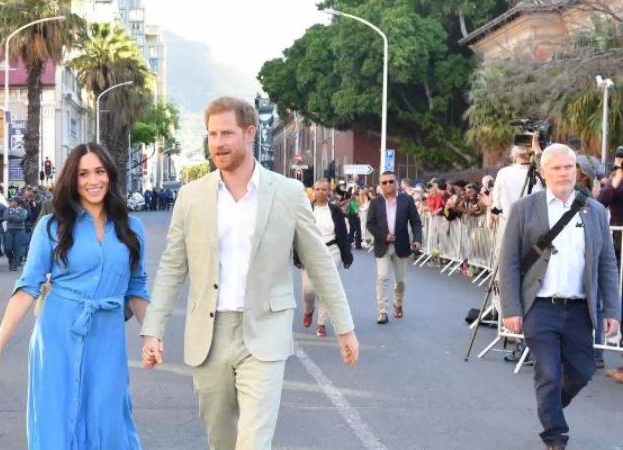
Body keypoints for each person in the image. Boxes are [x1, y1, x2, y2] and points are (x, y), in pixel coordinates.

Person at [140, 97, 358, 449]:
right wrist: (153, 330)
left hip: (264, 333)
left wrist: (344, 327)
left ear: (250, 133)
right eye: (212, 134)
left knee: (254, 442)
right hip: (209, 335)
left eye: (227, 133)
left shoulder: (287, 193)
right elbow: (171, 267)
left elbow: (318, 262)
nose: (218, 143)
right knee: (221, 439)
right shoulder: (192, 196)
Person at [0, 143, 151, 449]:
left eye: (99, 172)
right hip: (57, 335)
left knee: (108, 418)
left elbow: (137, 287)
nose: (92, 181)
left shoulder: (131, 229)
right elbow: (27, 287)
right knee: (57, 419)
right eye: (83, 174)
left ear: (109, 175)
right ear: (73, 179)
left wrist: (151, 335)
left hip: (106, 337)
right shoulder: (52, 226)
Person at [498, 144, 620, 450]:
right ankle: (555, 434)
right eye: (556, 168)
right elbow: (509, 260)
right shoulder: (525, 208)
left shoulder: (593, 210)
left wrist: (613, 311)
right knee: (549, 372)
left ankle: (549, 405)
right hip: (540, 306)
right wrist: (511, 308)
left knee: (582, 371)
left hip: (580, 308)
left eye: (569, 167)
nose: (564, 173)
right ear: (543, 172)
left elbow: (607, 263)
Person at [296, 178, 354, 337]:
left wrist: (347, 255)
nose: (321, 192)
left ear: (329, 192)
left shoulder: (335, 211)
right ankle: (308, 310)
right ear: (313, 191)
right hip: (310, 251)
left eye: (324, 189)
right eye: (318, 189)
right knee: (309, 290)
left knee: (326, 289)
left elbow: (343, 234)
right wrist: (296, 256)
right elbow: (298, 232)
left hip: (332, 251)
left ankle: (321, 323)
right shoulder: (306, 209)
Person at [365, 171, 423, 324]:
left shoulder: (407, 200)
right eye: (384, 182)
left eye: (391, 181)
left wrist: (417, 239)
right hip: (382, 245)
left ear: (396, 182)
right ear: (380, 185)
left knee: (400, 281)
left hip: (402, 245)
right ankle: (382, 311)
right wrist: (383, 236)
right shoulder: (375, 202)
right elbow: (369, 224)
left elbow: (416, 221)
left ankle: (398, 303)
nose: (388, 185)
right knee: (382, 277)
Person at [598, 145, 623, 378]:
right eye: (618, 158)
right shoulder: (614, 179)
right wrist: (615, 180)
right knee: (615, 291)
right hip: (617, 240)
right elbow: (603, 200)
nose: (619, 162)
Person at [3, 197, 28, 271]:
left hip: (19, 230)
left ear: (17, 202)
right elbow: (5, 217)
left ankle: (15, 265)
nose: (10, 203)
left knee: (17, 248)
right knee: (8, 248)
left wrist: (11, 218)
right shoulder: (8, 209)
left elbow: (22, 219)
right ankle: (11, 259)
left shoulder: (22, 210)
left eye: (12, 201)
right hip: (10, 230)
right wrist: (15, 217)